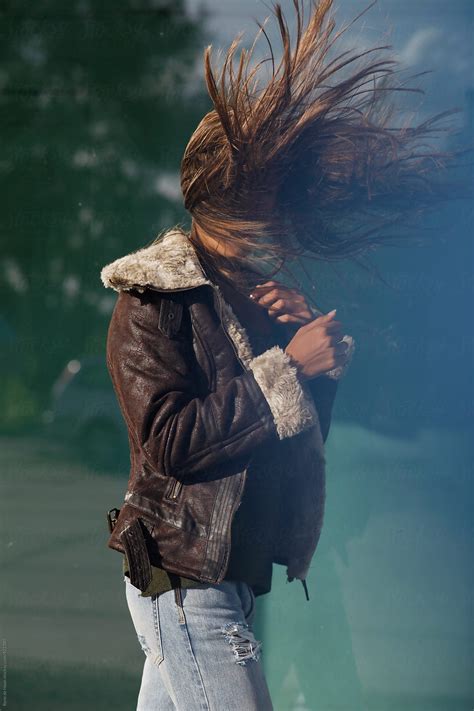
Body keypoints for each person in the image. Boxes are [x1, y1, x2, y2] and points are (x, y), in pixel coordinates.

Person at [100, 1, 455, 708]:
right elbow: (169, 442)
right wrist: (287, 366)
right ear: (232, 199)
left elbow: (287, 435)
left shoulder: (248, 299)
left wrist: (317, 376)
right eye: (265, 195)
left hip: (228, 568)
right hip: (181, 575)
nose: (275, 214)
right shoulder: (154, 298)